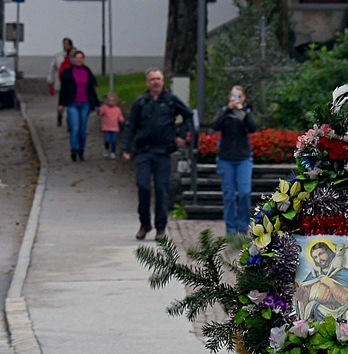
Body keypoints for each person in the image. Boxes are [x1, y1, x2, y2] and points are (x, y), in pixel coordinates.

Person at [121, 69, 194, 240]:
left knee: (161, 189)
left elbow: (188, 115)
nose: (156, 82)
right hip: (144, 151)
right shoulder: (140, 102)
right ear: (147, 82)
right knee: (143, 186)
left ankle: (161, 227)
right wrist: (125, 148)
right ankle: (145, 223)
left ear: (163, 82)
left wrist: (181, 135)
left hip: (163, 152)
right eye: (152, 79)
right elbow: (130, 126)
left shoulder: (170, 101)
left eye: (158, 79)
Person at [209, 85, 258, 235]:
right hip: (226, 158)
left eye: (239, 96)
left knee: (244, 192)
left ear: (243, 98)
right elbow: (215, 126)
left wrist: (241, 110)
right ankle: (230, 228)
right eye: (233, 96)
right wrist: (227, 110)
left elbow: (252, 128)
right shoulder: (224, 112)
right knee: (228, 194)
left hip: (243, 158)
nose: (236, 99)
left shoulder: (245, 112)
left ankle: (243, 226)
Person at [58, 50, 95, 161]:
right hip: (72, 103)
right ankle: (73, 149)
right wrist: (61, 104)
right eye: (77, 58)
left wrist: (96, 104)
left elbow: (91, 89)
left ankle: (81, 150)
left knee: (82, 130)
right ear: (73, 59)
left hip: (84, 103)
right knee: (75, 128)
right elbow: (63, 90)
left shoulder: (87, 71)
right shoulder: (68, 72)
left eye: (81, 58)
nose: (79, 60)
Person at [96, 91, 125, 160]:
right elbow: (100, 113)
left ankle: (113, 152)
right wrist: (98, 110)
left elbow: (120, 117)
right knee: (107, 140)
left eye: (112, 101)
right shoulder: (105, 108)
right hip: (106, 127)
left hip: (114, 128)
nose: (111, 102)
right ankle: (106, 149)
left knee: (113, 141)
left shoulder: (118, 110)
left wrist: (122, 120)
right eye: (109, 101)